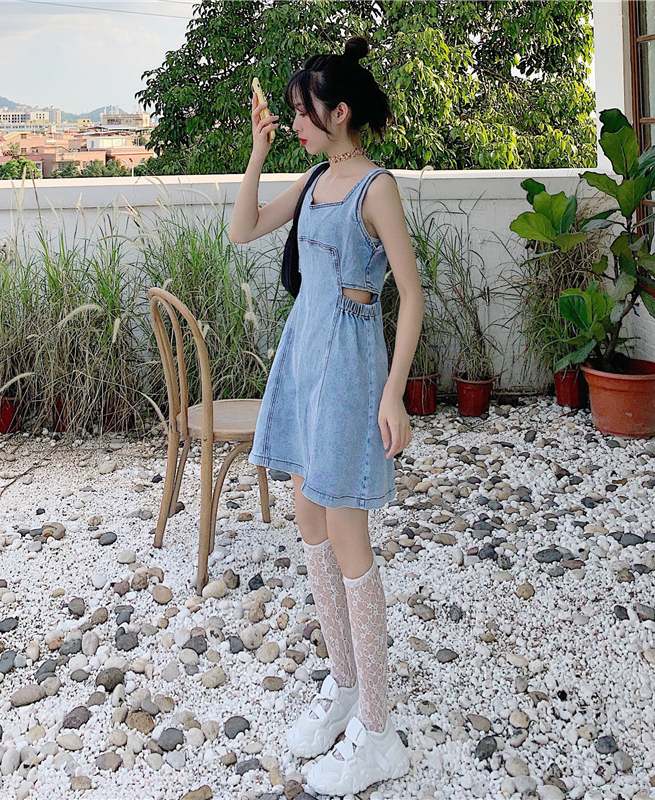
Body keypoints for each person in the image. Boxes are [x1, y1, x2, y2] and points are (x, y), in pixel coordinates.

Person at [229, 35, 423, 796]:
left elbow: (411, 294)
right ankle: (344, 687)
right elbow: (243, 227)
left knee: (348, 537)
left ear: (340, 113)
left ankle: (380, 730)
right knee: (308, 519)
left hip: (348, 370)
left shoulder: (377, 188)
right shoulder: (312, 180)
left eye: (305, 113)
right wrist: (257, 151)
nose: (296, 124)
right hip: (303, 357)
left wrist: (393, 392)